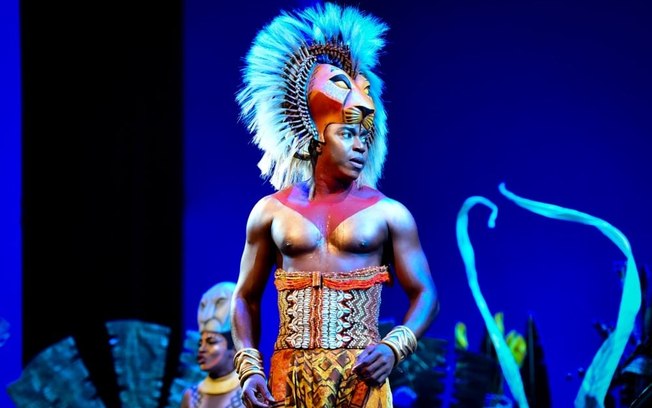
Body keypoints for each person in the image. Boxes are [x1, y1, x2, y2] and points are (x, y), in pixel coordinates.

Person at [231, 3, 439, 407]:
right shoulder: (270, 213)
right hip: (287, 379)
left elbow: (426, 293)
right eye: (348, 133)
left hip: (361, 380)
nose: (361, 144)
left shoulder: (389, 214)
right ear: (316, 135)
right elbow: (244, 296)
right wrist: (248, 365)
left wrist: (395, 347)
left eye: (365, 135)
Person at [182, 282, 244, 408]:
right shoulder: (191, 397)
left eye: (211, 342)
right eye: (200, 343)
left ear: (234, 349)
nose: (202, 349)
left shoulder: (253, 393)